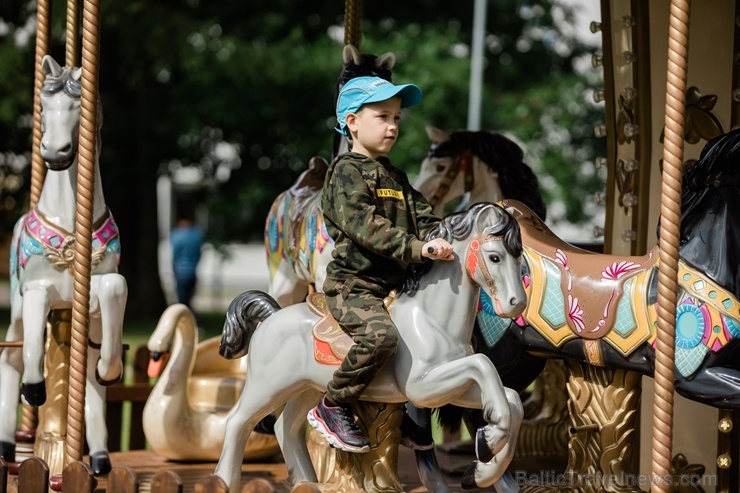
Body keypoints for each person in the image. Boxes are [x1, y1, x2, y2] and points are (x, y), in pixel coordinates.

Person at [307, 76, 454, 453]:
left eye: (397, 118)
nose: (392, 126)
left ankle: (400, 403)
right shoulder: (345, 172)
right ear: (352, 121)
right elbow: (366, 227)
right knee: (381, 337)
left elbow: (426, 218)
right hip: (355, 284)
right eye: (382, 116)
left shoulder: (396, 177)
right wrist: (419, 249)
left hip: (396, 285)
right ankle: (333, 403)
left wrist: (454, 236)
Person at [170, 214, 205, 313]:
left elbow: (175, 255)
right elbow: (199, 254)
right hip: (192, 273)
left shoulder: (177, 235)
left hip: (182, 273)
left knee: (183, 303)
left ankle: (195, 324)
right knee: (188, 301)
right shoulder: (197, 235)